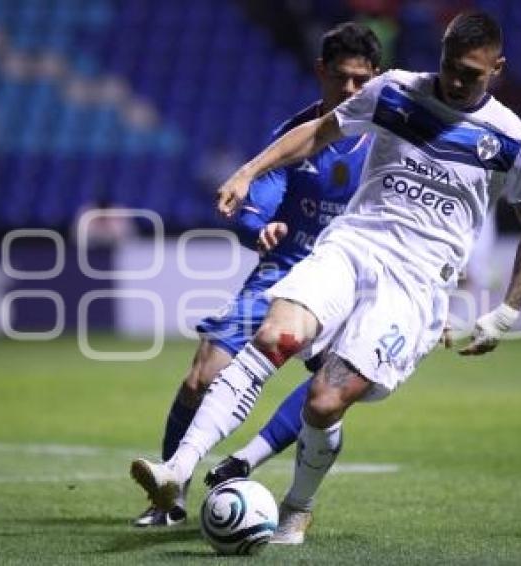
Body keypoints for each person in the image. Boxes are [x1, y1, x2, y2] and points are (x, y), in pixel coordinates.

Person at [132, 10, 521, 545]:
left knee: (324, 402)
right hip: (353, 246)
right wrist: (247, 171)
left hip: (415, 283)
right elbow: (316, 132)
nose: (455, 80)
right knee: (273, 338)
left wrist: (507, 310)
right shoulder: (395, 91)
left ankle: (298, 507)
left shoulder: (515, 141)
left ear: (497, 68)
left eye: (471, 72)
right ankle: (178, 470)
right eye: (449, 65)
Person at [132, 22, 382, 527]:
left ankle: (249, 461)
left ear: (377, 78)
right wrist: (261, 229)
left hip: (355, 281)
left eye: (362, 81)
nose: (351, 91)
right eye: (341, 79)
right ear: (320, 73)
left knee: (330, 393)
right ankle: (168, 497)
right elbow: (253, 211)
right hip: (285, 271)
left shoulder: (388, 142)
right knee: (202, 377)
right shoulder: (294, 138)